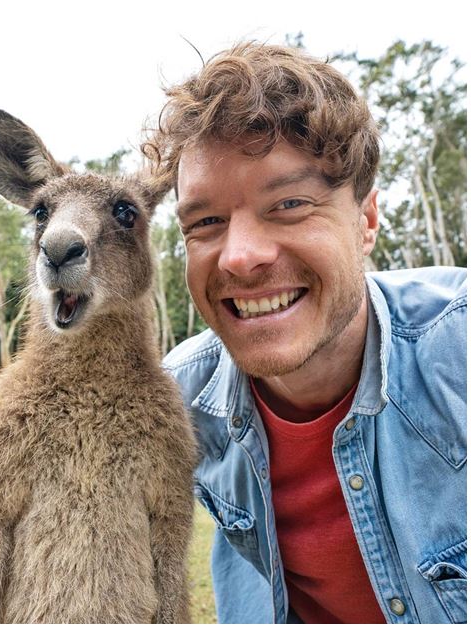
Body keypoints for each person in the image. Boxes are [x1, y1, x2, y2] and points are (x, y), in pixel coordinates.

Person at [147, 43, 466, 623]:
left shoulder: (459, 348)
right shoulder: (175, 401)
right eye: (207, 222)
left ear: (365, 221)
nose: (239, 258)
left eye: (289, 204)